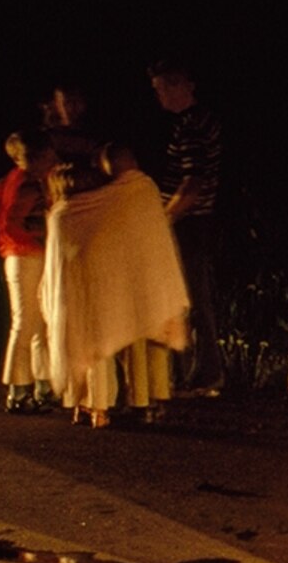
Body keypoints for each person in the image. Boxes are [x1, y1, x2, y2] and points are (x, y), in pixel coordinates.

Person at [43, 145, 189, 428]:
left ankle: (116, 405)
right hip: (148, 280)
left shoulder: (85, 206)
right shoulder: (141, 190)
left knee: (115, 341)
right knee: (148, 342)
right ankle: (149, 403)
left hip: (115, 285)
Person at [145, 62, 227, 397]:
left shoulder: (191, 126)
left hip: (188, 224)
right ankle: (198, 374)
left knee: (190, 296)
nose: (159, 95)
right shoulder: (195, 122)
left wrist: (164, 218)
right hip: (193, 222)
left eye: (162, 88)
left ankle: (204, 375)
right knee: (191, 296)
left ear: (182, 86)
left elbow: (192, 183)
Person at [0, 130, 58, 411]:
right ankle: (20, 390)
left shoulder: (9, 181)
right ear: (35, 157)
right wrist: (38, 237)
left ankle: (40, 385)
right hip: (27, 254)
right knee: (28, 323)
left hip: (21, 254)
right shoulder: (28, 184)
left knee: (38, 323)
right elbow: (13, 222)